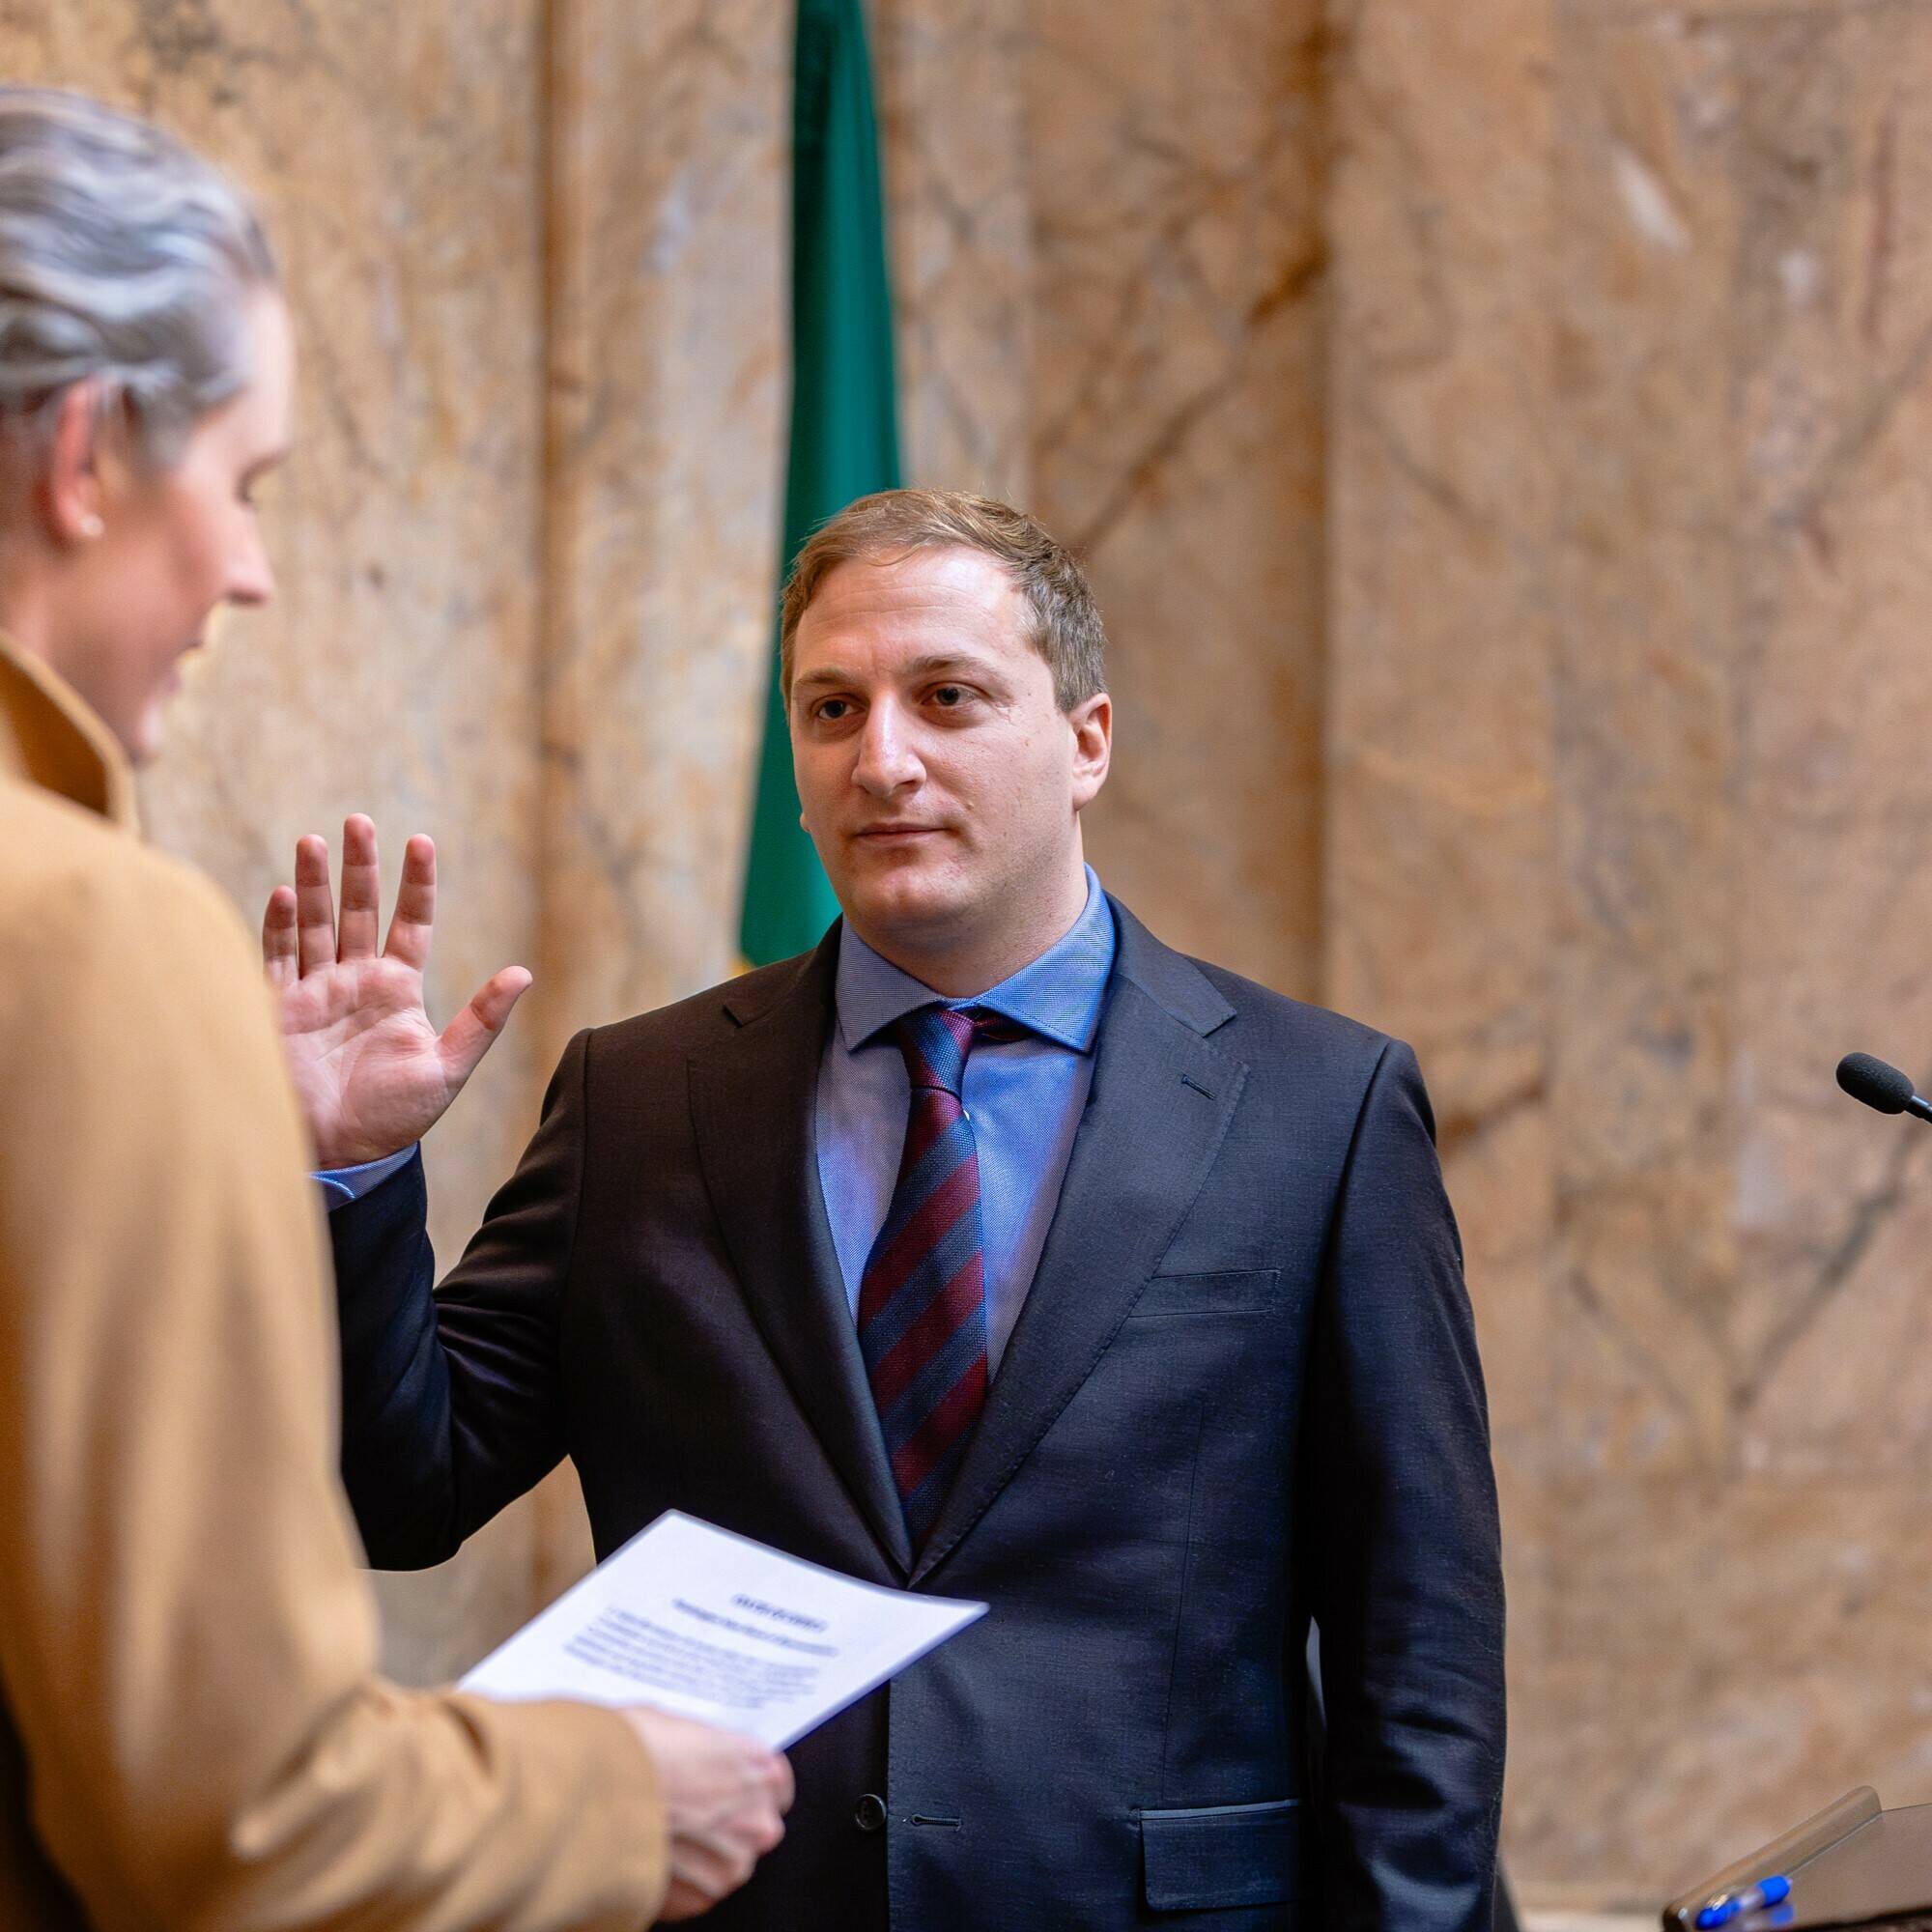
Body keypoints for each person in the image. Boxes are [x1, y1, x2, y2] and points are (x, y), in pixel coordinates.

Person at [287, 489, 1507, 1930]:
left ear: (1087, 743)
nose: (884, 759)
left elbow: (1419, 1655)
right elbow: (398, 1491)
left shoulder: (1321, 1107)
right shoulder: (642, 1096)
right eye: (830, 710)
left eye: (948, 697)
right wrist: (350, 1177)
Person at [0, 87, 791, 1930]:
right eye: (249, 486)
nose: (257, 570)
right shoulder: (92, 939)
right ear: (89, 454)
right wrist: (608, 1796)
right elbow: (236, 1809)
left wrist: (226, 1144)